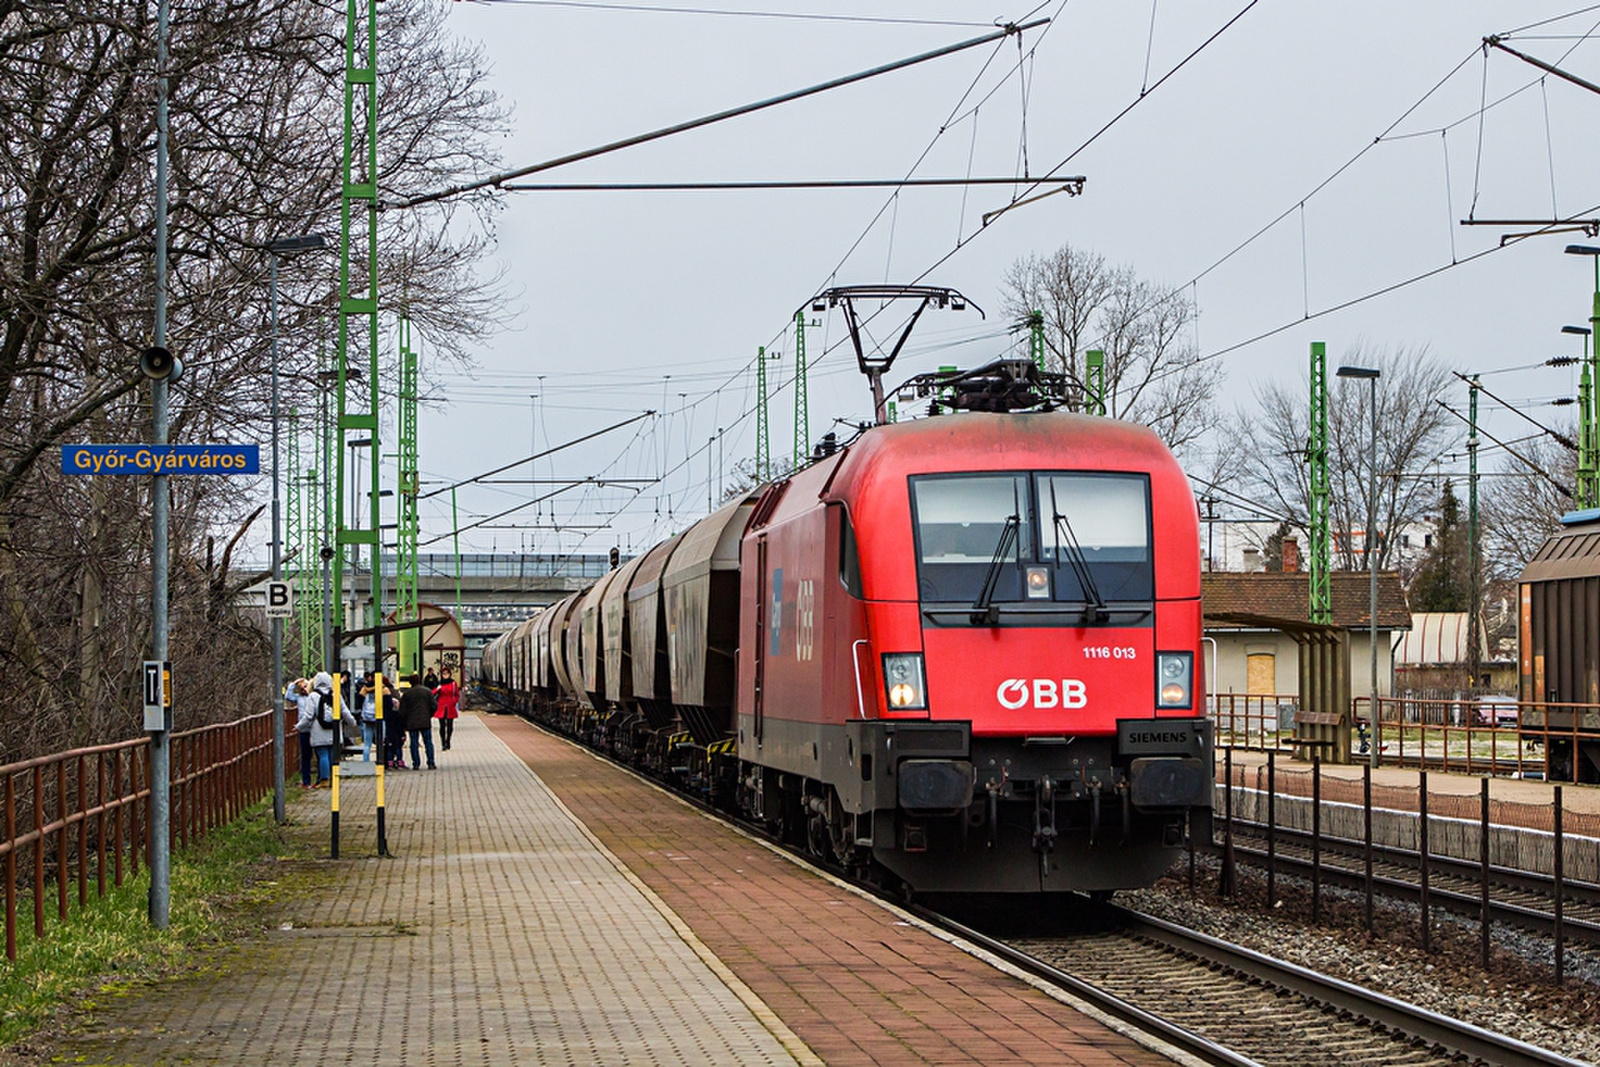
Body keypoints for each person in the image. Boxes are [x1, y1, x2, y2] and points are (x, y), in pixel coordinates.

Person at [297, 672, 338, 787]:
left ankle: (324, 779)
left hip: (317, 729)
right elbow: (343, 710)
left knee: (322, 753)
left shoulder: (313, 696)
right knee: (330, 754)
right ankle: (332, 779)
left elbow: (308, 715)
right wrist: (352, 722)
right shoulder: (334, 694)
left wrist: (299, 727)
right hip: (332, 728)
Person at [399, 672, 437, 770]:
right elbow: (434, 706)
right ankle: (431, 762)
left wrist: (404, 723)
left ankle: (416, 763)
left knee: (414, 743)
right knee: (428, 742)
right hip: (425, 720)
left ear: (410, 682)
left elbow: (402, 710)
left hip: (412, 722)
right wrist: (429, 715)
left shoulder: (407, 694)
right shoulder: (427, 691)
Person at [289, 678, 312, 787]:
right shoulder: (299, 698)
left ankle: (320, 779)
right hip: (303, 729)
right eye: (301, 687)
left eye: (305, 686)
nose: (303, 689)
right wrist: (293, 684)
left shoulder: (313, 697)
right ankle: (306, 780)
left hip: (314, 728)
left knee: (319, 753)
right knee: (305, 755)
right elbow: (288, 696)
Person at [433, 666, 460, 751]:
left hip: (450, 706)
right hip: (441, 706)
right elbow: (432, 693)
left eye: (447, 674)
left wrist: (454, 701)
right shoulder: (439, 683)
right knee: (442, 726)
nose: (445, 675)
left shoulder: (453, 683)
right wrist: (437, 689)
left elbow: (456, 694)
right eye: (444, 674)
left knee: (449, 726)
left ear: (449, 674)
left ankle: (448, 741)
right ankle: (443, 743)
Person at [357, 671, 379, 761]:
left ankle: (365, 761)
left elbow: (358, 703)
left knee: (367, 743)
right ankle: (380, 761)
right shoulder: (381, 688)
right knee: (381, 742)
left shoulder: (364, 689)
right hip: (378, 717)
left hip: (366, 718)